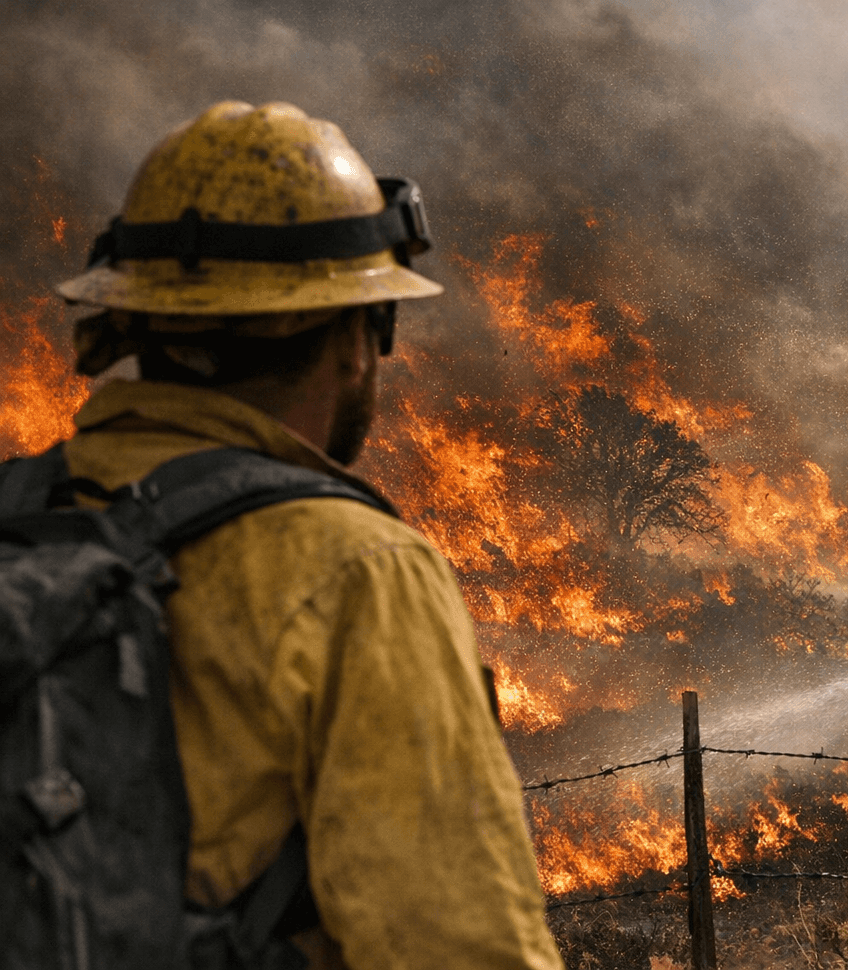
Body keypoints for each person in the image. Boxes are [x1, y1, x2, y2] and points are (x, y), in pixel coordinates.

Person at [47, 101, 564, 968]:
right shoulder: (356, 570)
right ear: (358, 339)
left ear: (136, 319)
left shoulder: (23, 514)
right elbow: (459, 948)